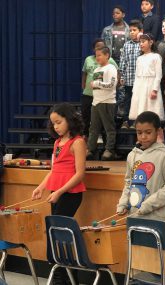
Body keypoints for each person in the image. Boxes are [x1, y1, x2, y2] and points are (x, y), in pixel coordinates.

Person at [32, 103, 86, 285]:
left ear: (69, 120)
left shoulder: (77, 142)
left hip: (70, 194)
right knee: (56, 233)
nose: (55, 126)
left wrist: (60, 192)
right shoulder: (57, 143)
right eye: (53, 123)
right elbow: (53, 170)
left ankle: (64, 277)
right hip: (57, 192)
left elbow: (80, 174)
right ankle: (62, 275)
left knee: (59, 233)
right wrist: (41, 187)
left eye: (59, 122)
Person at [116, 111, 165, 222]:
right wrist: (123, 203)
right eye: (139, 133)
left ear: (158, 131)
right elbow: (129, 182)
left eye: (148, 132)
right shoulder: (132, 155)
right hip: (133, 216)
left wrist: (149, 204)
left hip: (155, 217)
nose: (143, 137)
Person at [81, 39, 118, 137]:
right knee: (87, 118)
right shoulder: (88, 59)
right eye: (97, 47)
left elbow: (116, 74)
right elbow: (84, 73)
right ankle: (88, 141)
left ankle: (107, 145)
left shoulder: (110, 61)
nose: (99, 48)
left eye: (102, 47)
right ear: (94, 49)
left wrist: (116, 85)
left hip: (104, 97)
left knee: (106, 123)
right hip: (89, 93)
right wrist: (83, 84)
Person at [86, 47, 118, 160]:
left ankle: (109, 149)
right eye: (96, 55)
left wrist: (97, 83)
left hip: (107, 101)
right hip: (96, 102)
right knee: (93, 128)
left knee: (109, 128)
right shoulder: (96, 70)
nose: (97, 57)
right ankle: (90, 149)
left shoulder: (111, 68)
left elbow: (111, 85)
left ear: (107, 55)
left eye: (99, 55)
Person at [129, 33, 165, 123]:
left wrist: (155, 89)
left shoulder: (156, 56)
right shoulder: (139, 58)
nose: (141, 44)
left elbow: (158, 75)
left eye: (143, 42)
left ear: (151, 42)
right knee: (140, 109)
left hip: (150, 85)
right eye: (140, 42)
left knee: (151, 109)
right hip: (140, 85)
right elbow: (137, 75)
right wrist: (134, 89)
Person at [119, 20, 143, 129]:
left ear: (140, 31)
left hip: (140, 80)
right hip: (128, 79)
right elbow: (123, 61)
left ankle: (136, 122)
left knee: (138, 101)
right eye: (130, 30)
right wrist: (122, 76)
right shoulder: (126, 45)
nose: (132, 32)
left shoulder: (143, 45)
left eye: (134, 30)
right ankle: (126, 121)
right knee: (127, 100)